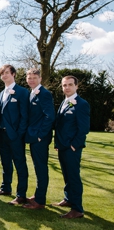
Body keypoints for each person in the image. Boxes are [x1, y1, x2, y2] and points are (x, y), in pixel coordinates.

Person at [53, 76, 89, 219]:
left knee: (73, 177)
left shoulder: (81, 104)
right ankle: (68, 199)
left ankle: (77, 209)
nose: (66, 87)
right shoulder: (64, 102)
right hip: (62, 146)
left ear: (76, 86)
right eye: (64, 85)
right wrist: (58, 144)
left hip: (72, 148)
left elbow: (84, 129)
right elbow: (60, 125)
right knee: (67, 175)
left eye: (69, 85)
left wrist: (75, 145)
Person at [0, 64, 30, 205]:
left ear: (14, 74)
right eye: (2, 73)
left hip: (15, 136)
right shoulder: (2, 93)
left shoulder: (22, 92)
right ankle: (6, 188)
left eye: (7, 73)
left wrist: (19, 134)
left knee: (20, 164)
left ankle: (21, 194)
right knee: (5, 163)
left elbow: (24, 116)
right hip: (1, 135)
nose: (4, 76)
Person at [22, 68, 55, 210]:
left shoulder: (44, 94)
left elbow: (50, 116)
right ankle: (37, 195)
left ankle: (40, 201)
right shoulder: (32, 93)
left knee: (41, 168)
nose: (31, 80)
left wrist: (40, 135)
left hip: (39, 138)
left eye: (34, 78)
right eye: (29, 78)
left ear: (40, 79)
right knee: (37, 167)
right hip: (33, 136)